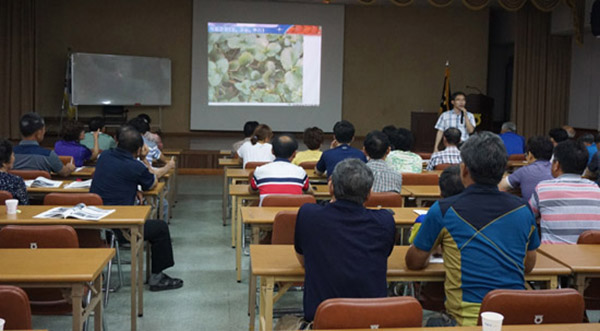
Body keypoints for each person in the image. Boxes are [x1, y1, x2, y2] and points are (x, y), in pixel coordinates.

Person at [405, 132, 540, 326]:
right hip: (514, 317)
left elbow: (414, 262)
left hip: (465, 321)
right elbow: (528, 265)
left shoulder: (443, 210)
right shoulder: (523, 209)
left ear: (464, 170)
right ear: (503, 172)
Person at [294, 159, 396, 323]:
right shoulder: (385, 221)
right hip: (372, 319)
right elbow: (384, 255)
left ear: (331, 186)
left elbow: (302, 259)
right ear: (369, 193)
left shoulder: (308, 215)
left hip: (323, 320)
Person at [90, 126, 183, 291]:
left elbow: (118, 180)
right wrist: (145, 159)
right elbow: (152, 182)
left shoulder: (104, 157)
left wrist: (135, 189)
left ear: (117, 142)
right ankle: (157, 277)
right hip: (120, 226)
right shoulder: (135, 166)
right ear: (139, 149)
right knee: (160, 228)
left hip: (95, 225)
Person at [529, 140, 600, 244]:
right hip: (592, 259)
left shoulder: (543, 188)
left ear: (556, 165)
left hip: (552, 257)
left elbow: (528, 216)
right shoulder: (597, 189)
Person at [408, 165, 464, 244]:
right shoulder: (480, 215)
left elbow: (416, 251)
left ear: (440, 193)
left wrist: (416, 233)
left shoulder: (426, 220)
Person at [250, 134, 310, 204]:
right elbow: (308, 190)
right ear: (294, 154)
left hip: (266, 214)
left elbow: (252, 190)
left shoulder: (260, 171)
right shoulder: (300, 172)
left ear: (272, 151)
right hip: (293, 214)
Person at [498, 136, 554, 201]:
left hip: (530, 210)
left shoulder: (524, 171)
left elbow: (501, 186)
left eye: (526, 155)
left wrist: (507, 176)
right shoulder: (557, 170)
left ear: (530, 155)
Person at [0, 139, 28, 205]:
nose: (14, 158)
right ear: (4, 162)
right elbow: (24, 206)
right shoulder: (16, 181)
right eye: (12, 155)